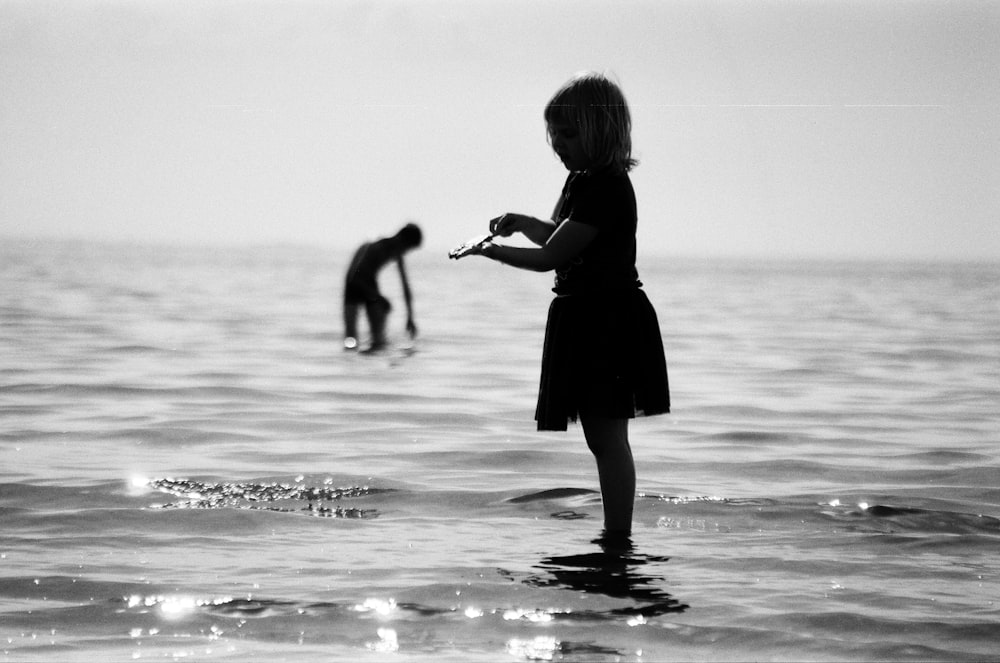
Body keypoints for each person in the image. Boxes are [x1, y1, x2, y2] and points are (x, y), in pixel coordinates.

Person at [463, 72, 670, 542]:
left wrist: (490, 251)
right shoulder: (581, 181)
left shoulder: (608, 187)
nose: (559, 143)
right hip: (585, 315)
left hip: (607, 319)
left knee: (607, 440)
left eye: (570, 134)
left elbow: (551, 258)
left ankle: (617, 536)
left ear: (602, 132)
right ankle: (615, 534)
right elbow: (559, 236)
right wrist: (525, 224)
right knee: (603, 439)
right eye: (554, 134)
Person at [342, 222, 422, 352]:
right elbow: (354, 277)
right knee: (351, 339)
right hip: (354, 283)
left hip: (367, 282)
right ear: (403, 240)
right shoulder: (377, 246)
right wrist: (377, 297)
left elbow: (405, 286)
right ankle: (352, 365)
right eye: (408, 248)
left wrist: (410, 316)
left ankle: (369, 362)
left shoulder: (396, 250)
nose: (406, 252)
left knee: (377, 340)